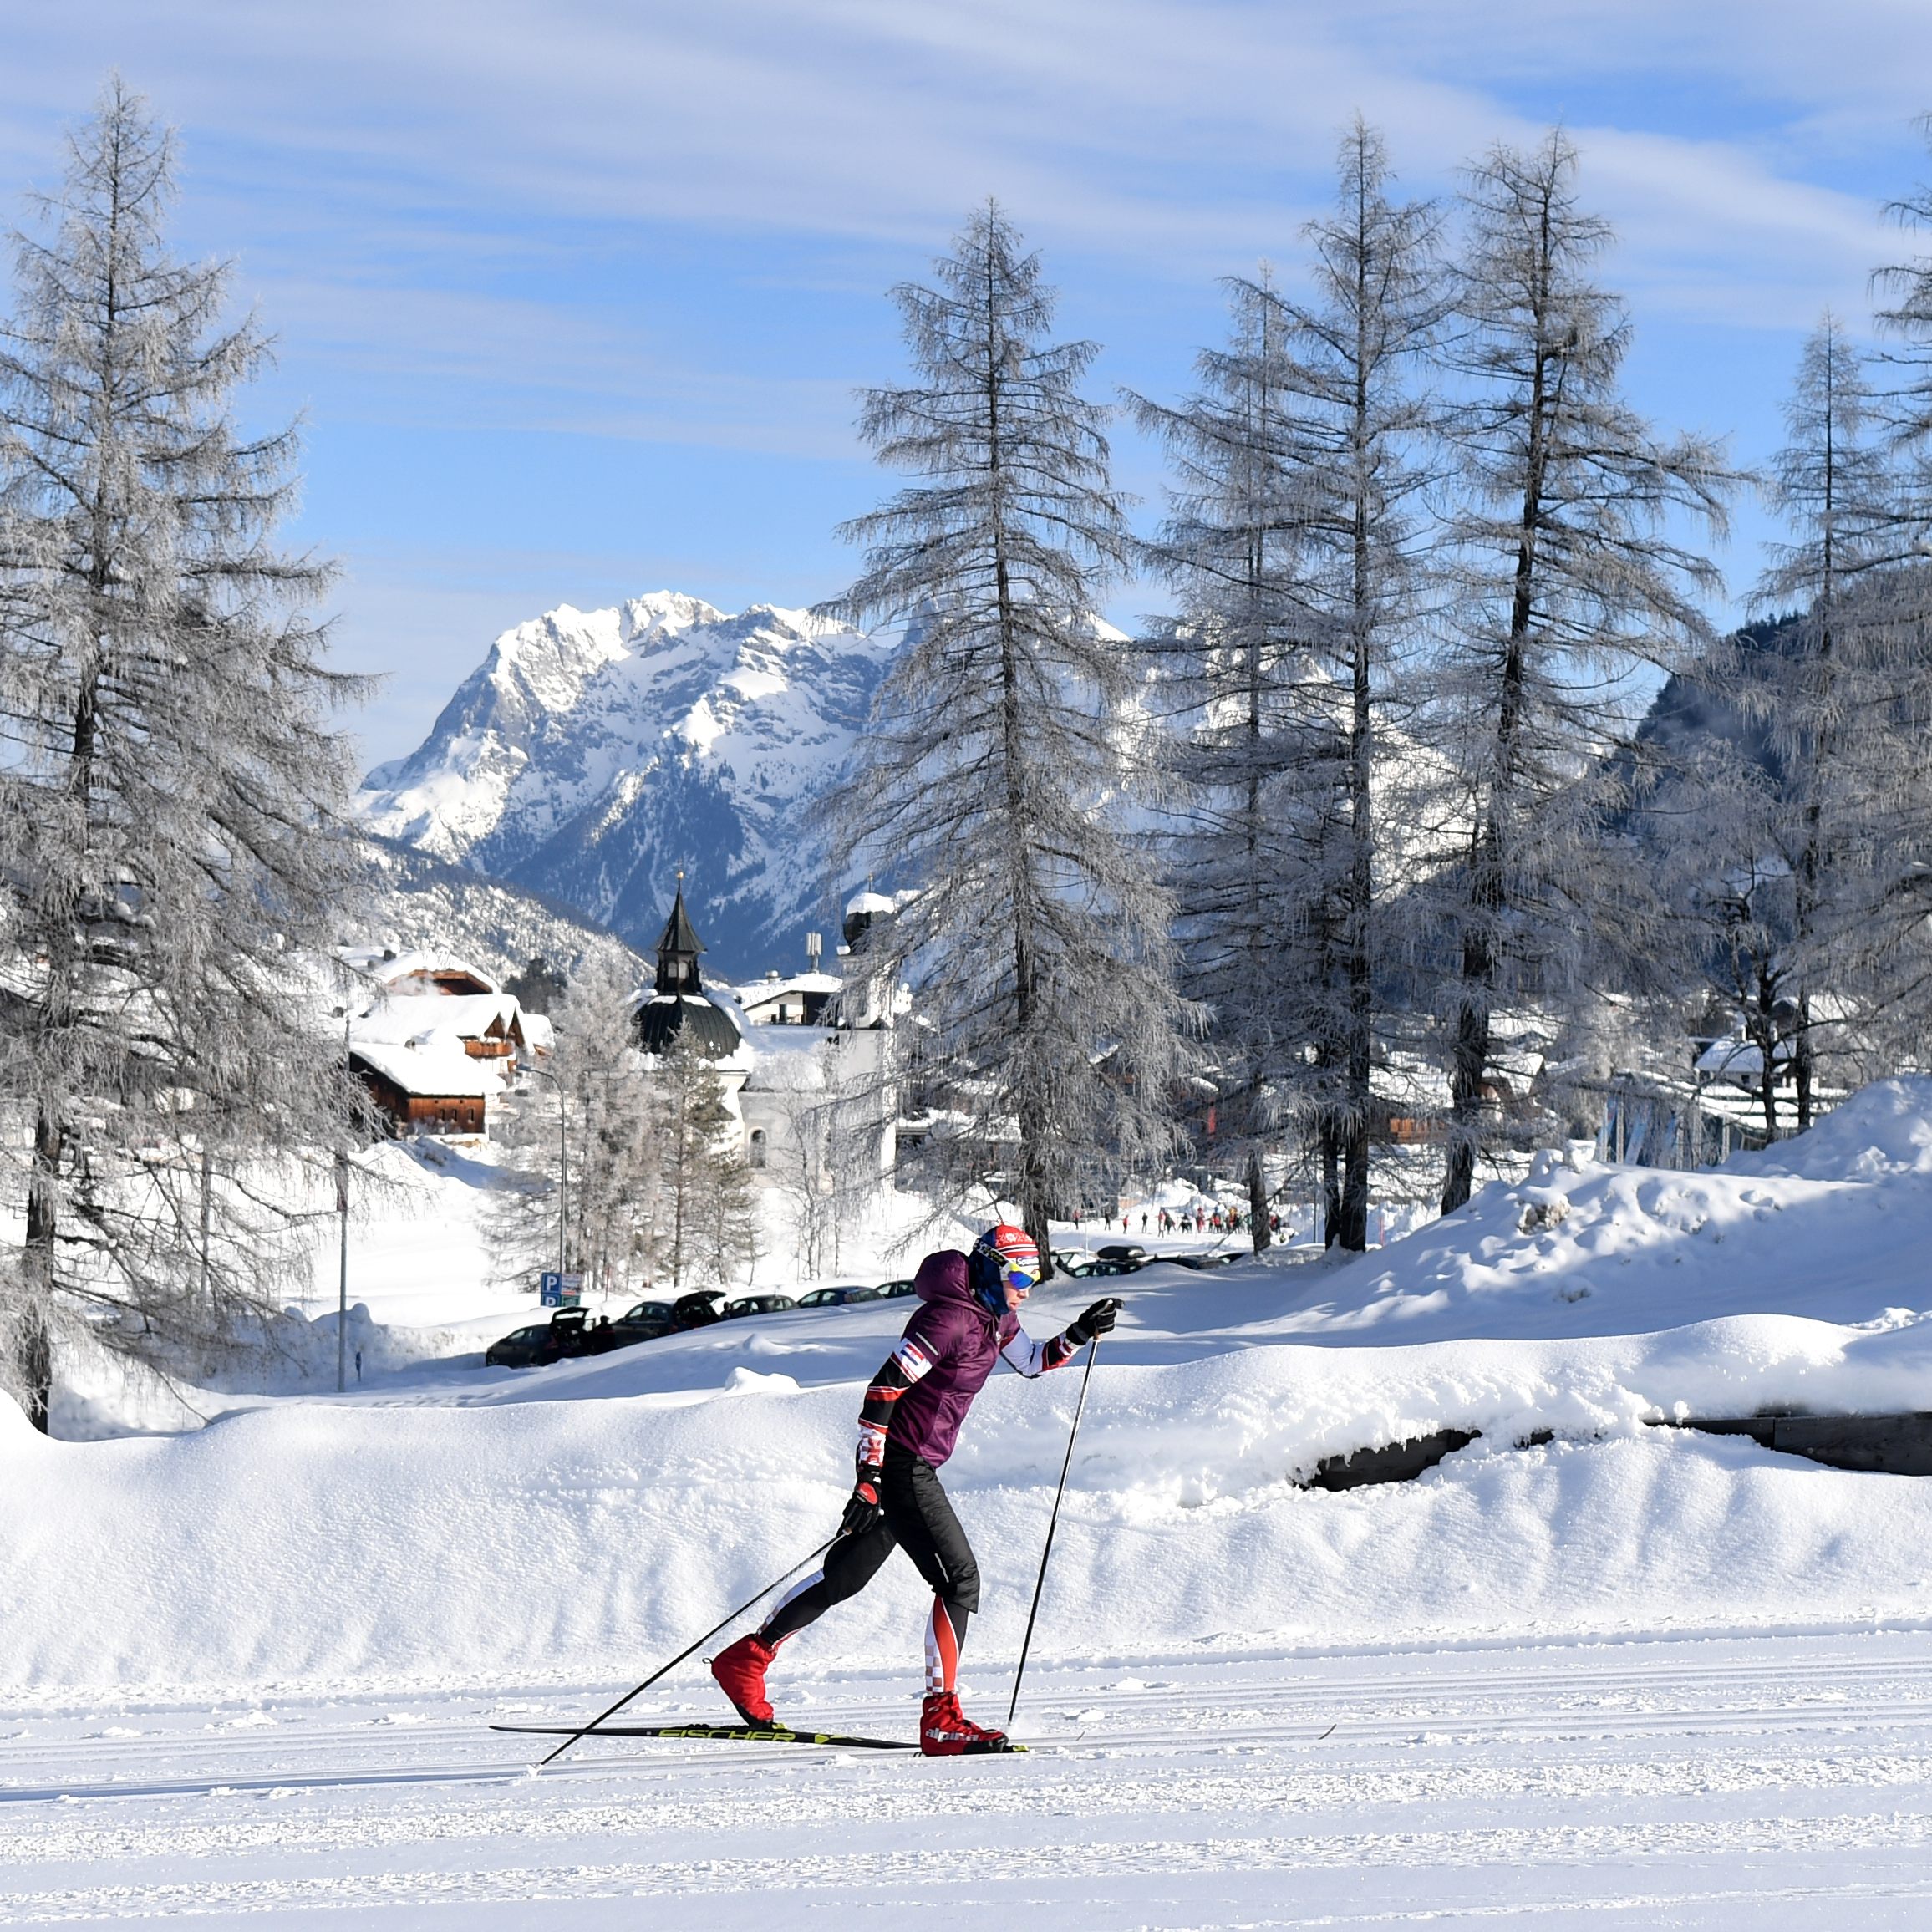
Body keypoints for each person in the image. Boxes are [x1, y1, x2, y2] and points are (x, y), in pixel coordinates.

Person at [709, 1225, 1120, 1756]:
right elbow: (883, 1390)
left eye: (1033, 1280)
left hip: (912, 1464)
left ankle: (745, 1662)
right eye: (1020, 1277)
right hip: (902, 1465)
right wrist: (869, 1478)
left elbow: (1032, 1361)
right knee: (960, 1580)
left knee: (843, 1577)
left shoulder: (994, 1316)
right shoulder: (947, 1319)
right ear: (991, 1270)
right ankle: (942, 1719)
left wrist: (1080, 1332)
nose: (1027, 1290)